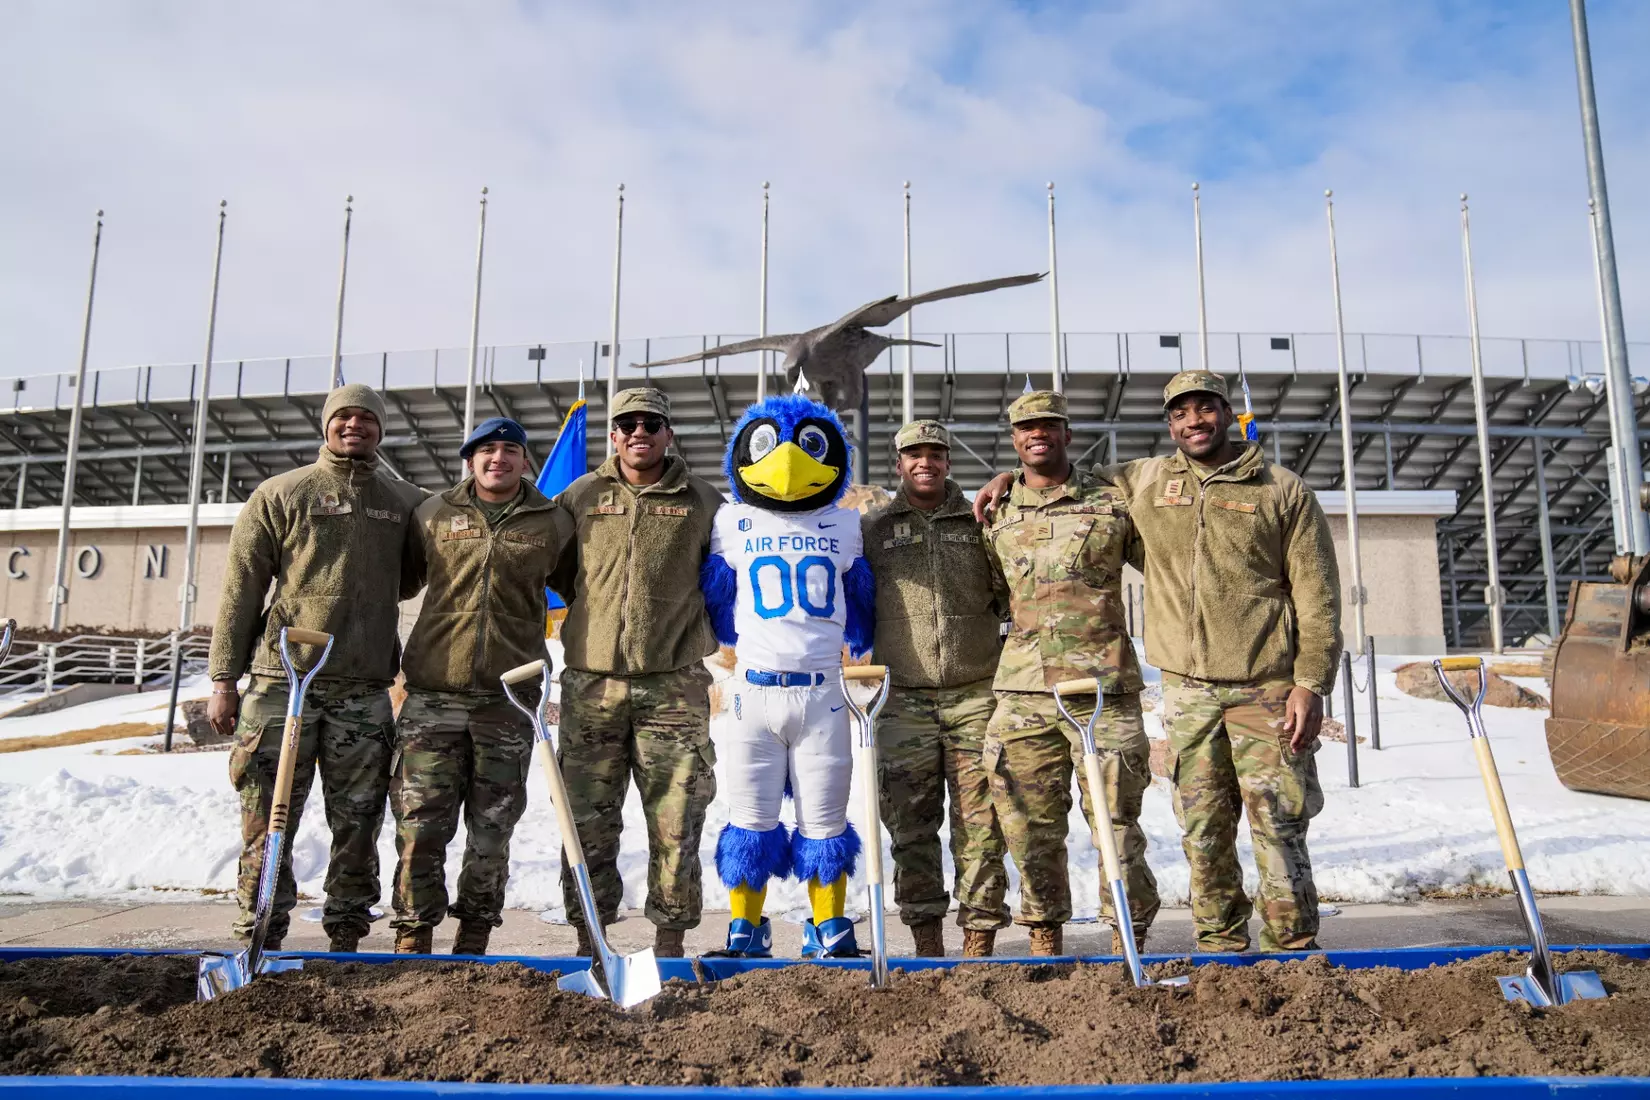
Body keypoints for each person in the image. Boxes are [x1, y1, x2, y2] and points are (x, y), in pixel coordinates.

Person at [973, 370, 1340, 953]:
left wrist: (1310, 682)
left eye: (1205, 409)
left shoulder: (1281, 489)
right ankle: (1219, 946)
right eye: (1180, 413)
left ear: (1228, 413)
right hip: (1188, 688)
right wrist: (1007, 480)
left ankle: (1293, 948)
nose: (1194, 422)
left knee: (1279, 823)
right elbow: (1052, 478)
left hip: (1267, 684)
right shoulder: (1145, 481)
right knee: (1203, 828)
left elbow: (1319, 597)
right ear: (1169, 424)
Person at [208, 383, 427, 953]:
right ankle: (259, 931)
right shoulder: (281, 493)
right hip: (282, 684)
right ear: (326, 425)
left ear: (381, 429)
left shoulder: (405, 502)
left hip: (363, 688)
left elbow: (410, 577)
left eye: (366, 418)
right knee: (267, 817)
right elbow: (241, 589)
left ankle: (347, 933)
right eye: (343, 417)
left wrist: (367, 604)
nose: (354, 426)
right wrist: (223, 679)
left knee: (359, 821)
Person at [979, 391, 1159, 957]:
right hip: (1024, 691)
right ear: (1014, 439)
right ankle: (1043, 939)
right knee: (1027, 825)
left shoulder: (1113, 500)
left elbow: (1166, 565)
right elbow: (992, 592)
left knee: (1116, 822)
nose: (1038, 434)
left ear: (1066, 434)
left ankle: (1127, 937)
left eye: (1049, 425)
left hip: (1103, 687)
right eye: (1026, 427)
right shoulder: (996, 512)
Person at [548, 388, 724, 959]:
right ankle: (590, 940)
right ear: (614, 435)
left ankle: (669, 944)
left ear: (668, 433)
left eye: (652, 423)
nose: (639, 432)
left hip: (673, 685)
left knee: (677, 819)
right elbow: (558, 572)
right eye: (628, 424)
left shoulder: (704, 501)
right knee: (585, 820)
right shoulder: (580, 496)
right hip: (591, 683)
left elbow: (722, 576)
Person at [389, 417, 574, 956]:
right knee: (419, 825)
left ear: (525, 461)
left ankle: (474, 935)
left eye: (510, 450)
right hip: (433, 697)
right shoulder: (432, 513)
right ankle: (413, 933)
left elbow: (582, 589)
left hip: (508, 700)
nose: (499, 458)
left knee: (493, 829)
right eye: (487, 449)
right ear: (469, 460)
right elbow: (400, 580)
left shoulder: (553, 522)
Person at [861, 420, 1010, 957]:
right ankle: (926, 942)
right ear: (899, 464)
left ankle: (979, 942)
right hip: (903, 699)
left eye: (935, 454)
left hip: (975, 695)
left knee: (982, 824)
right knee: (910, 827)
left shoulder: (980, 520)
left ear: (948, 461)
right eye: (914, 455)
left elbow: (1008, 591)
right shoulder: (874, 529)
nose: (925, 462)